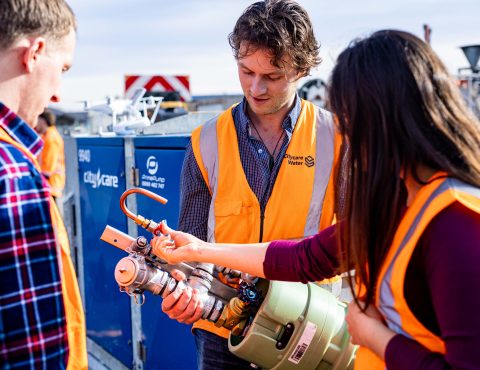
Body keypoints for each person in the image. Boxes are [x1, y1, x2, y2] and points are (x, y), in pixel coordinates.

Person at [152, 30, 480, 369]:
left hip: (303, 327)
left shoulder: (456, 225)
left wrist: (374, 337)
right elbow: (307, 258)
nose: (348, 134)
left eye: (353, 121)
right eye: (247, 72)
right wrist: (199, 250)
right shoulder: (401, 205)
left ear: (385, 121)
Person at [161, 1, 343, 369]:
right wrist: (185, 289)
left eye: (272, 76)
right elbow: (193, 239)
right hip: (219, 327)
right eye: (245, 71)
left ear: (303, 69)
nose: (255, 88)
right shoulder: (204, 141)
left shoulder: (338, 138)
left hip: (304, 329)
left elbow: (357, 243)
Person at [0, 1, 87, 368]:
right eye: (62, 68)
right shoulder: (11, 172)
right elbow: (34, 346)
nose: (57, 94)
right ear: (34, 53)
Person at [36, 109, 66, 199]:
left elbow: (47, 169)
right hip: (52, 184)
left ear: (43, 121)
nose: (35, 124)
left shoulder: (50, 138)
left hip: (51, 184)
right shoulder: (49, 136)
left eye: (37, 120)